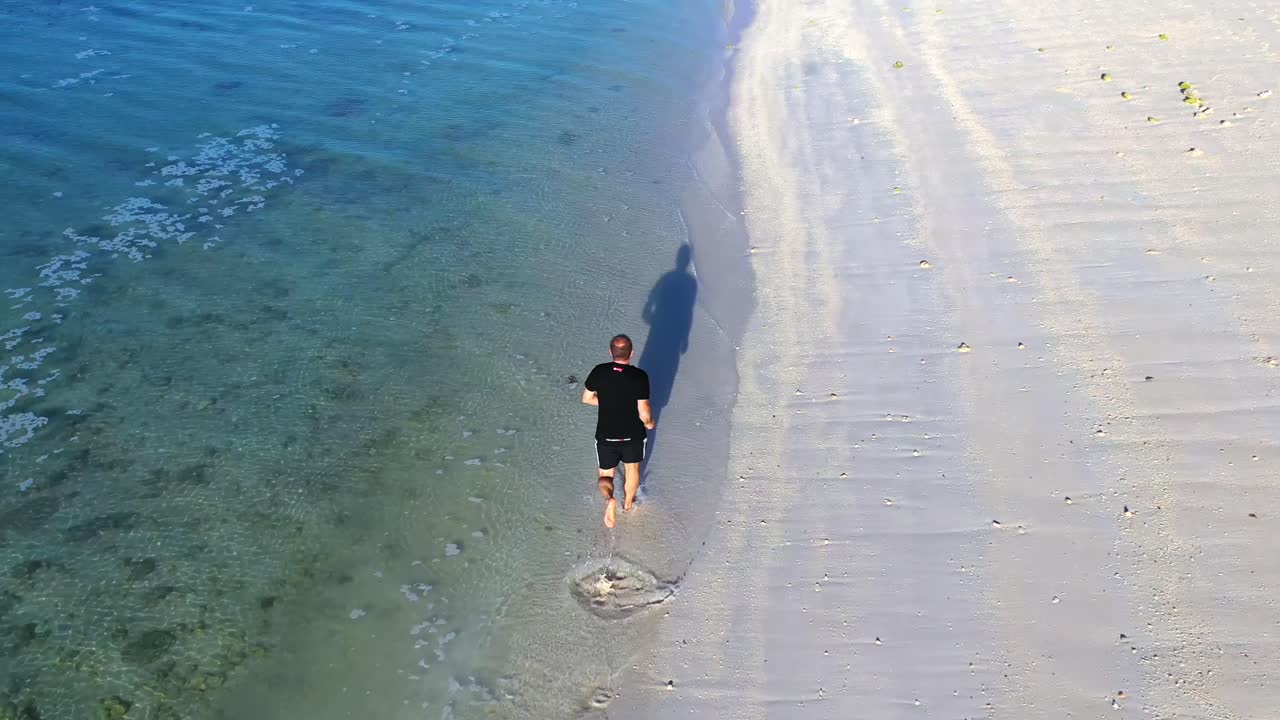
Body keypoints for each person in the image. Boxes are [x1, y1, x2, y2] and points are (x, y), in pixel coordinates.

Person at [582, 334, 654, 528]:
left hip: (606, 436)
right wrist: (649, 423)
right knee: (632, 470)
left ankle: (609, 499)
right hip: (633, 435)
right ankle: (628, 505)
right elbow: (644, 410)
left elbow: (586, 399)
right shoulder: (639, 376)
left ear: (610, 352)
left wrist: (607, 403)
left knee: (605, 476)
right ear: (631, 353)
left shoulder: (599, 371)